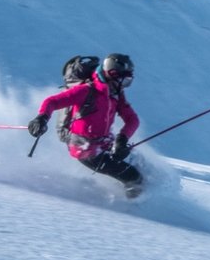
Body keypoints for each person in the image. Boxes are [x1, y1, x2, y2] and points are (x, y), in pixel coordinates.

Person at [28, 53, 144, 199]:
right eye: (124, 80)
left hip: (105, 142)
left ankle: (129, 195)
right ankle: (134, 211)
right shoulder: (87, 90)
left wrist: (122, 139)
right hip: (86, 150)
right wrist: (41, 118)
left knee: (141, 165)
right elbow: (52, 102)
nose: (125, 85)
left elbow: (132, 119)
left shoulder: (115, 93)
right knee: (134, 178)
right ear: (112, 74)